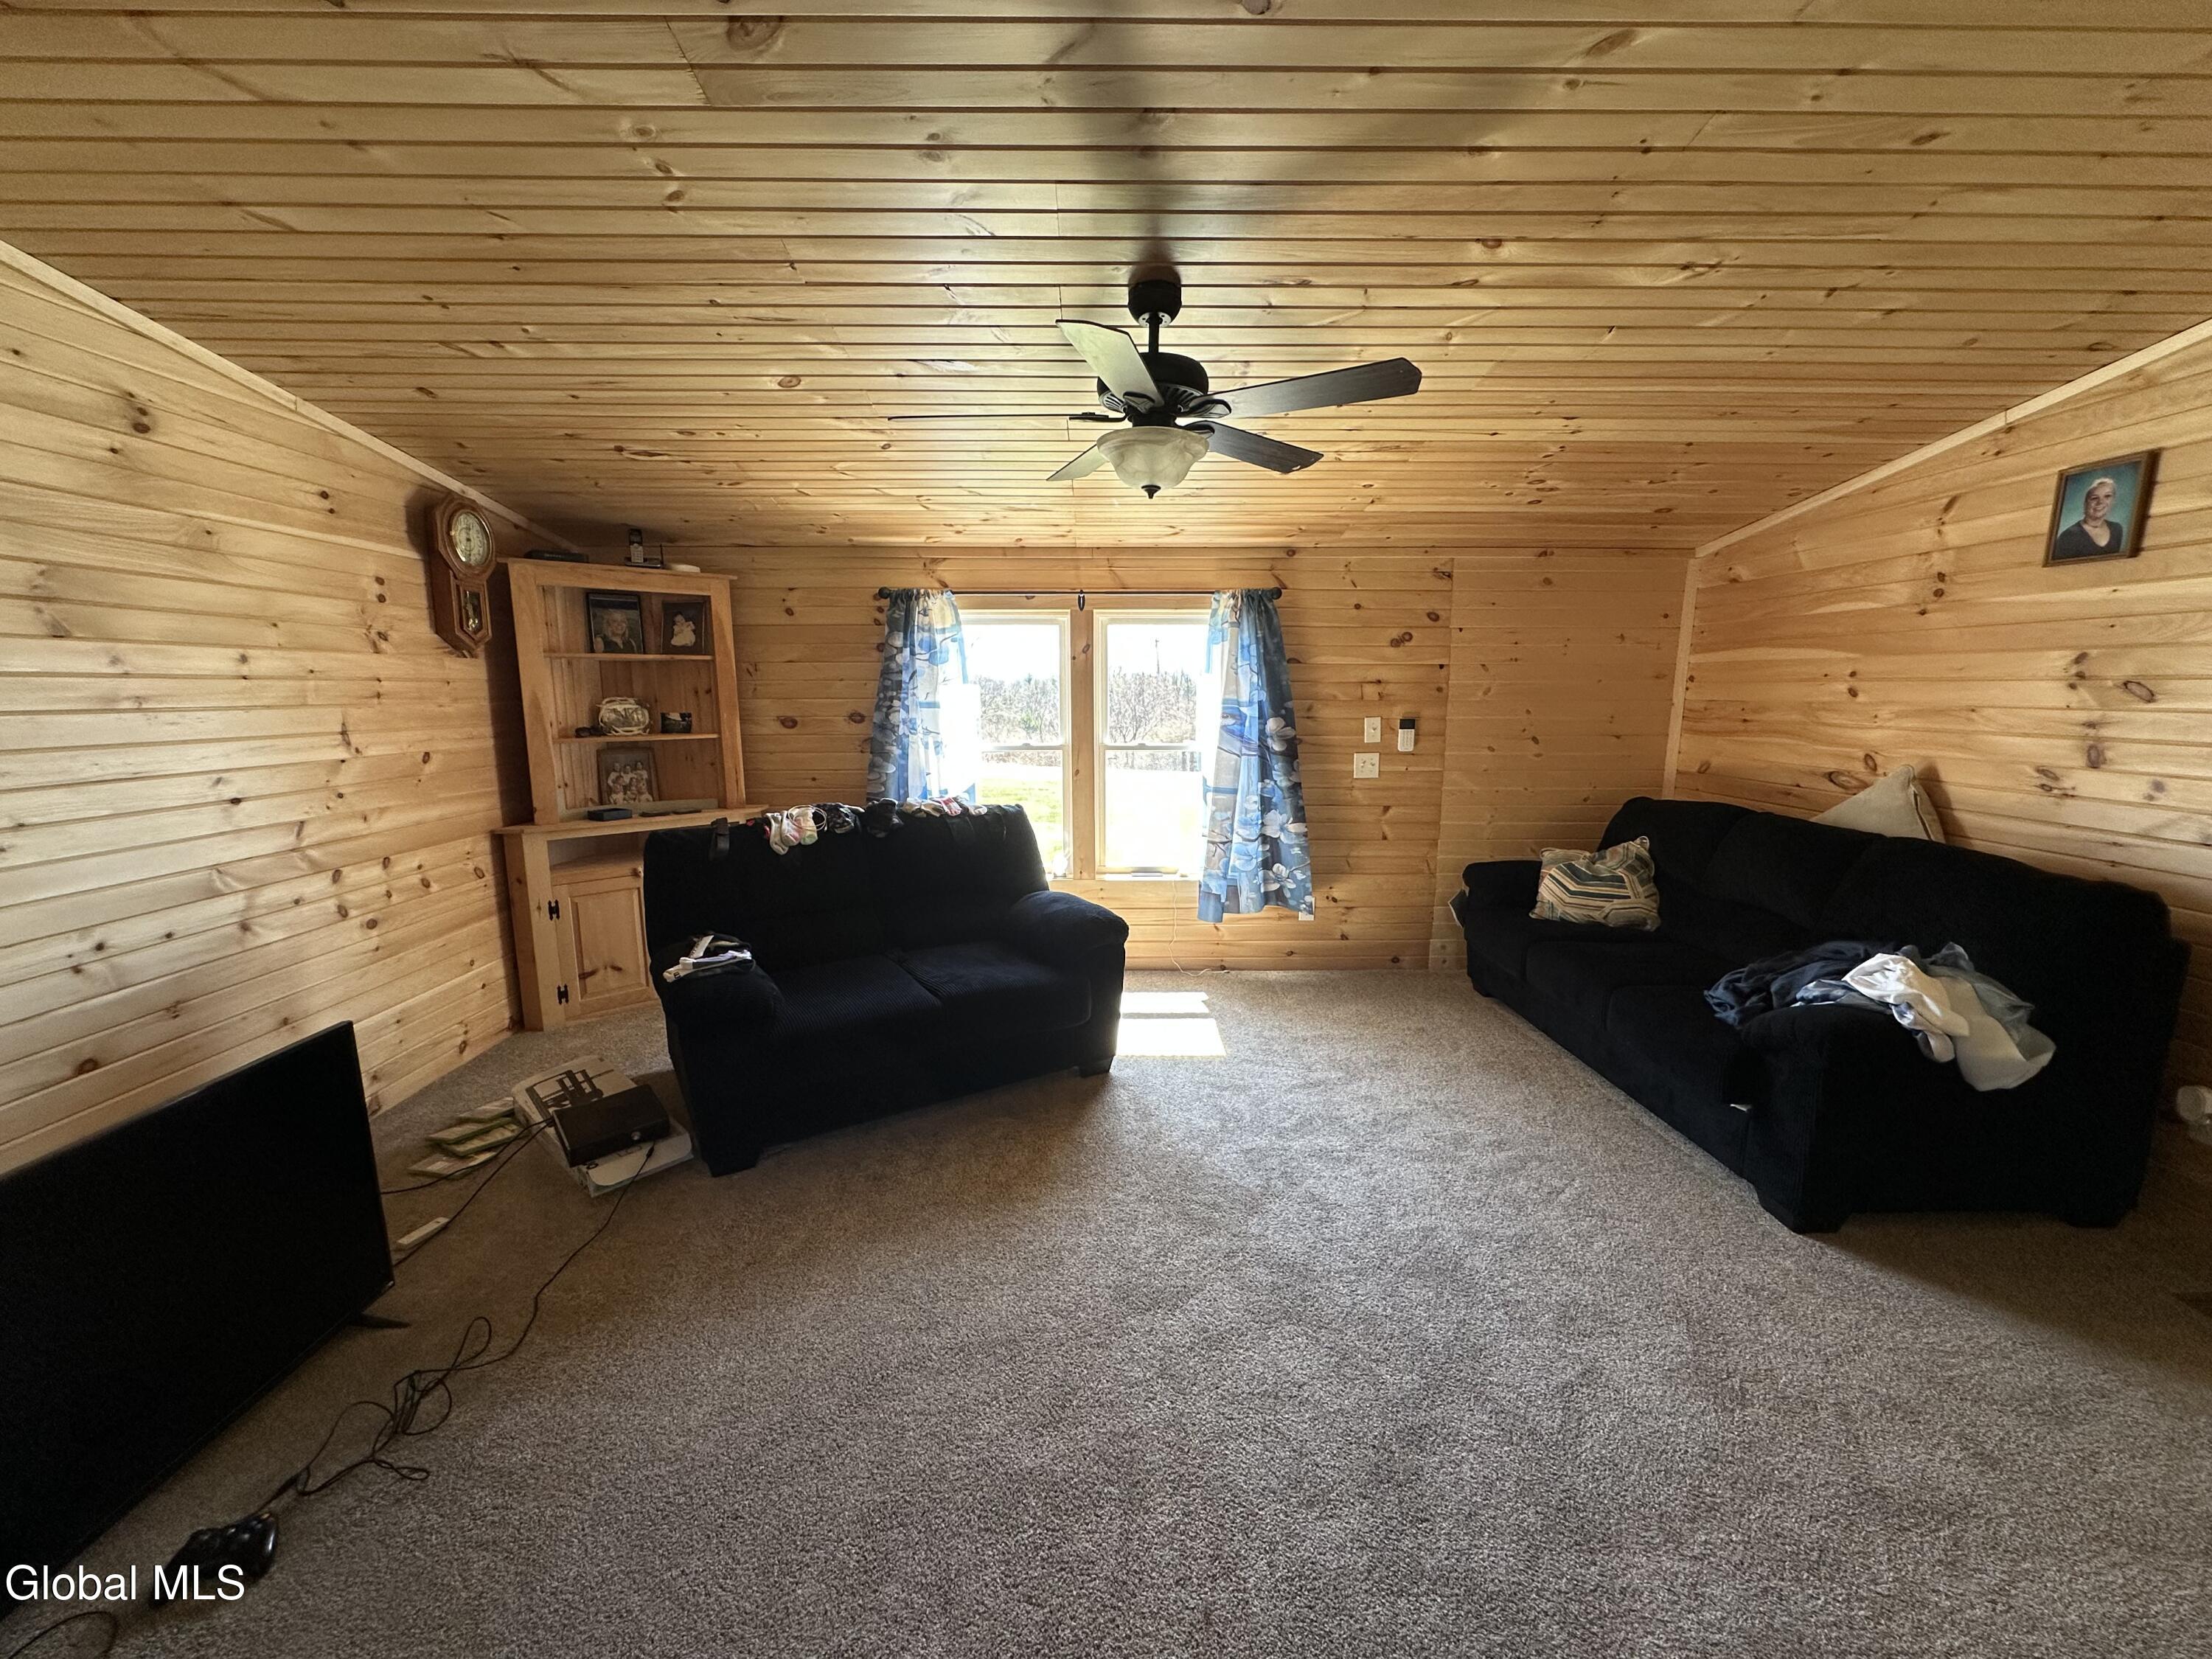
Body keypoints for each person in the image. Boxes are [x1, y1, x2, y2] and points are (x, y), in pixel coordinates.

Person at [2053, 474, 2127, 560]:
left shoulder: (2117, 529)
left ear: (2113, 501)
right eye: (2094, 498)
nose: (2100, 502)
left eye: (2107, 496)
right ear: (2085, 503)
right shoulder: (2069, 536)